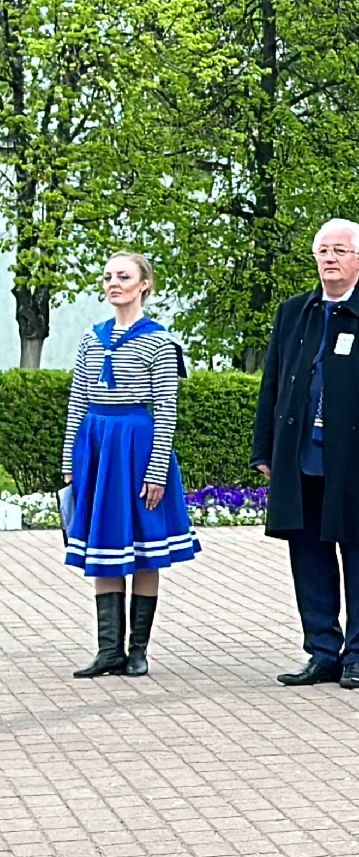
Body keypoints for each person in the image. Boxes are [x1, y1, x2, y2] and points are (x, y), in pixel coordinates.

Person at [252, 220, 359, 690]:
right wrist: (265, 448)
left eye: (340, 250)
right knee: (309, 556)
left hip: (357, 463)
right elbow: (273, 384)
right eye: (323, 249)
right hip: (300, 457)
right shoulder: (294, 313)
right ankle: (322, 649)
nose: (330, 258)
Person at [62, 252, 198, 679]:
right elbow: (78, 401)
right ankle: (108, 651)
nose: (113, 283)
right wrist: (71, 462)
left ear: (143, 285)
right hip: (98, 447)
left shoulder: (160, 341)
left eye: (123, 276)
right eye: (108, 277)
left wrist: (156, 471)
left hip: (137, 448)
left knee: (142, 549)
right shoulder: (90, 338)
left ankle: (137, 650)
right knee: (103, 545)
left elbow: (165, 409)